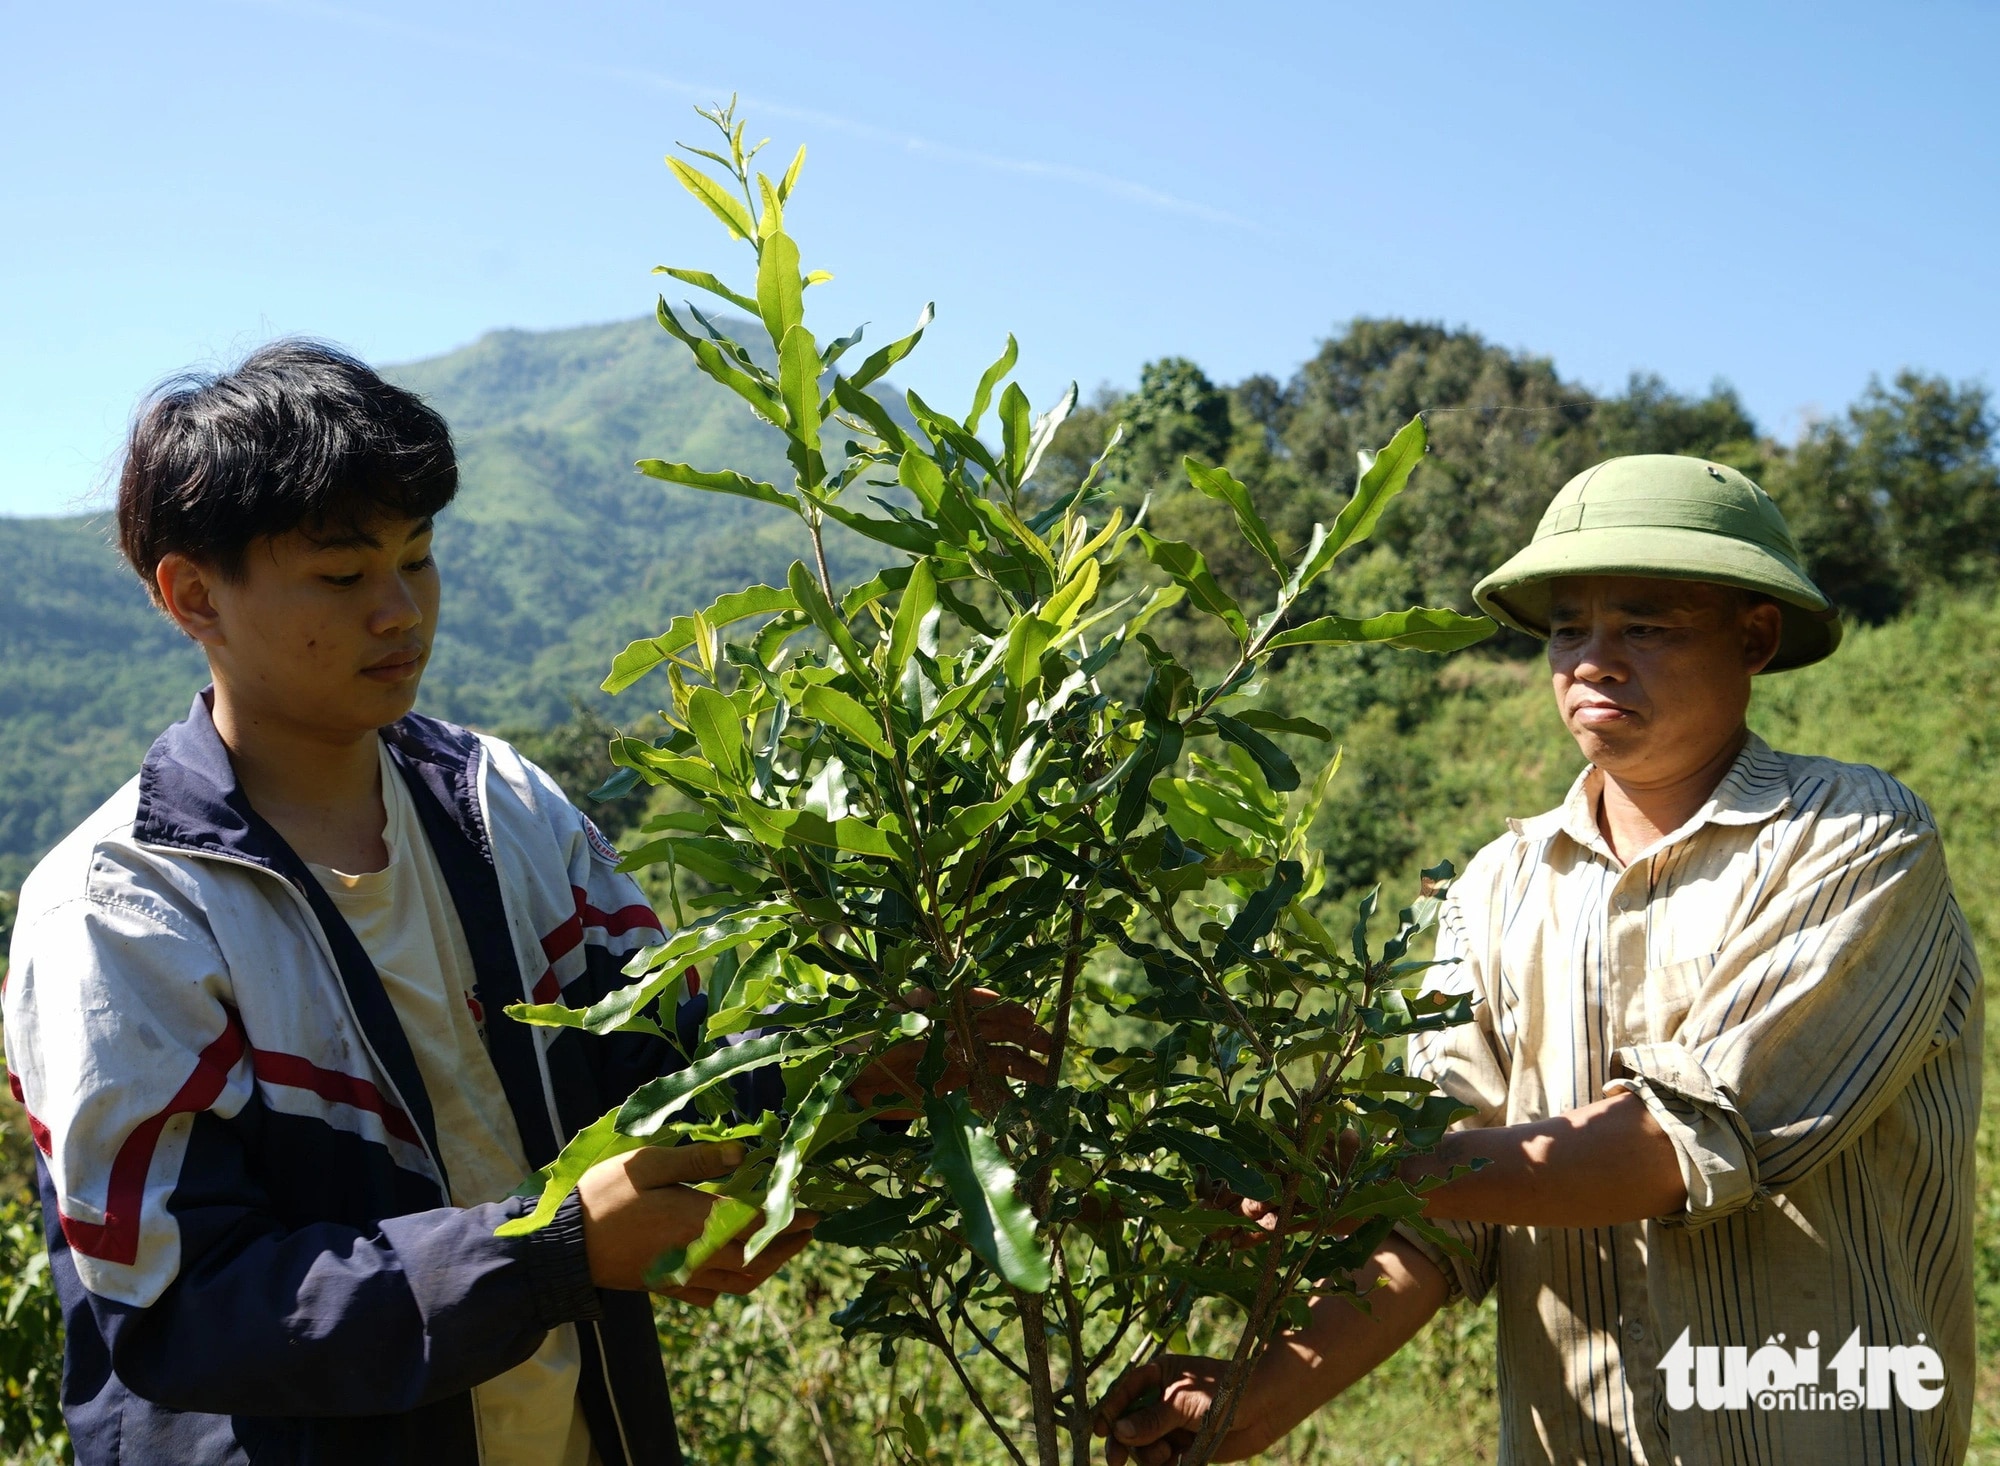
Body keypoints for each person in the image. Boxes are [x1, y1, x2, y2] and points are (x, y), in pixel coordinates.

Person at [1, 342, 1040, 1465]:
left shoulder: (505, 812)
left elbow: (660, 1067)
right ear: (193, 592)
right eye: (344, 577)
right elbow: (186, 1305)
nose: (401, 611)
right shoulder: (124, 907)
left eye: (420, 558)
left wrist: (836, 1085)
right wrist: (549, 1250)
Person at [1094, 455, 1982, 1465]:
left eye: (1642, 625)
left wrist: (1347, 1166)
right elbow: (1440, 1210)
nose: (1593, 659)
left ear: (1753, 636)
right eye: (1568, 627)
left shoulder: (1854, 838)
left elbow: (1673, 1141)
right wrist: (1256, 1394)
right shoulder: (1494, 889)